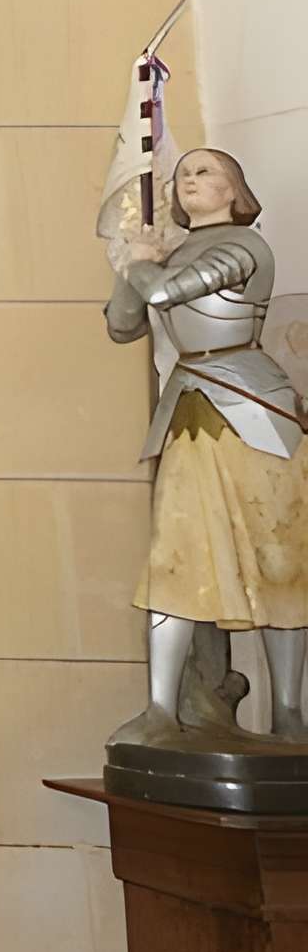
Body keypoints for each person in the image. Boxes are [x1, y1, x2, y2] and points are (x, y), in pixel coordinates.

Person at [109, 146, 308, 739]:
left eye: (204, 172)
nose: (188, 181)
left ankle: (289, 712)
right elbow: (123, 325)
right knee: (176, 557)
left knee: (279, 559)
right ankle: (161, 710)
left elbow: (173, 293)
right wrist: (136, 266)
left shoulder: (247, 245)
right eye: (181, 175)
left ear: (233, 190)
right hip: (187, 408)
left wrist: (143, 267)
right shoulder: (167, 256)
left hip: (252, 405)